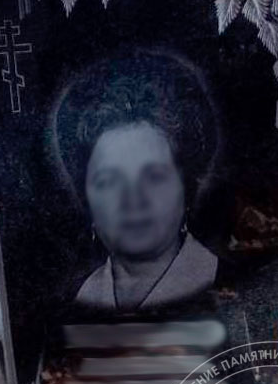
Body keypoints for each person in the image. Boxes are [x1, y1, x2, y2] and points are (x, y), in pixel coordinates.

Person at [54, 51, 219, 313]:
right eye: (109, 181)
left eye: (154, 177)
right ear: (87, 198)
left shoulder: (228, 290)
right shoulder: (72, 302)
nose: (133, 201)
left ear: (186, 188)